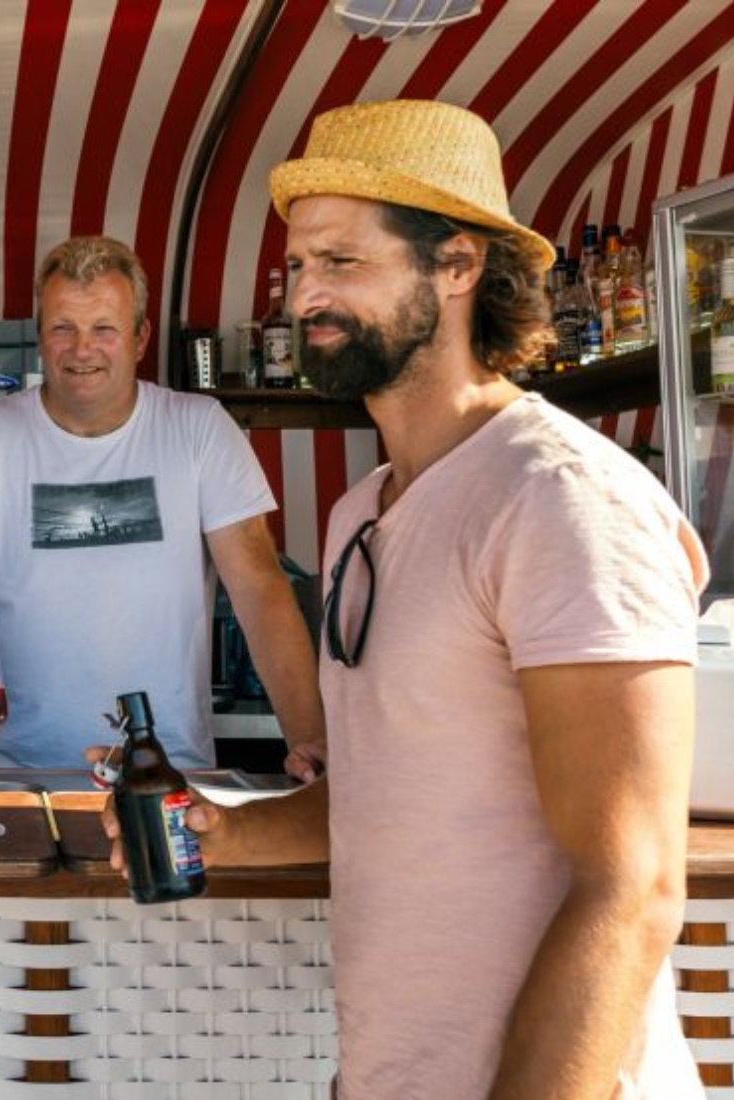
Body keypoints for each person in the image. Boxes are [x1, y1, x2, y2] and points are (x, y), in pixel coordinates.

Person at [102, 99, 707, 1098]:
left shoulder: (560, 499)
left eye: (344, 262)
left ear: (459, 265)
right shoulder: (361, 512)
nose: (306, 297)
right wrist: (227, 830)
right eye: (299, 266)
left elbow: (632, 886)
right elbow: (396, 793)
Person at [0, 235, 327, 790]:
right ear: (41, 338)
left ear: (139, 338)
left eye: (103, 328)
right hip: (15, 778)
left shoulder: (200, 428)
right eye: (63, 328)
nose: (82, 349)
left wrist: (309, 739)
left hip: (166, 774)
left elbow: (259, 588)